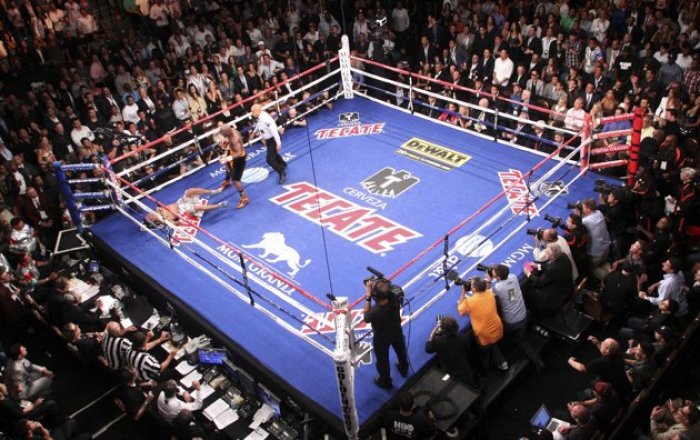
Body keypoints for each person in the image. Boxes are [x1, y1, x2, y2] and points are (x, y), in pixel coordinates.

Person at [489, 265, 545, 371]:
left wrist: (490, 279)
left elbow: (488, 293)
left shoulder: (498, 287)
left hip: (513, 322)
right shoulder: (513, 277)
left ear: (498, 277)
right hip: (523, 315)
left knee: (521, 341)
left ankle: (538, 362)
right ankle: (535, 329)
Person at [363, 278, 408, 389]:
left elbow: (366, 317)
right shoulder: (395, 299)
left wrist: (368, 296)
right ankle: (404, 368)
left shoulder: (375, 312)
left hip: (381, 338)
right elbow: (392, 287)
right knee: (401, 351)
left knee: (382, 361)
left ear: (375, 297)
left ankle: (386, 381)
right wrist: (381, 284)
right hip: (396, 331)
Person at [457, 277, 508, 371]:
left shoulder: (470, 301)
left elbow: (461, 310)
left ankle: (486, 370)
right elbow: (486, 289)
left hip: (484, 336)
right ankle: (501, 361)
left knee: (485, 352)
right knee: (492, 344)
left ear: (475, 289)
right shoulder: (489, 293)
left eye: (471, 286)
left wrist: (463, 292)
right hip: (498, 328)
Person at [568, 337, 632, 401]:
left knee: (591, 384)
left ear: (607, 350)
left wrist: (570, 360)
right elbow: (606, 354)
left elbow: (581, 368)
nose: (602, 342)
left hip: (614, 393)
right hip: (626, 387)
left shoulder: (601, 362)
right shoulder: (618, 355)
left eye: (603, 343)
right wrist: (597, 343)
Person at [523, 243, 574, 317]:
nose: (545, 252)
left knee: (529, 291)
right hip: (568, 289)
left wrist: (528, 274)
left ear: (552, 256)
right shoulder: (563, 256)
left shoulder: (552, 270)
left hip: (559, 298)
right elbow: (550, 266)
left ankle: (536, 315)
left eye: (547, 252)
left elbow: (539, 283)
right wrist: (538, 266)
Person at [424, 315, 476, 387]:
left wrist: (432, 334)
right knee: (471, 386)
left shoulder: (438, 342)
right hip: (464, 369)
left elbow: (428, 349)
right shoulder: (463, 338)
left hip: (449, 371)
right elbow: (468, 348)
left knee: (455, 387)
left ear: (443, 330)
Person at [144, 187, 227, 228]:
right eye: (150, 216)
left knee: (190, 191)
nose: (149, 214)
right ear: (152, 220)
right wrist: (165, 220)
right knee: (197, 207)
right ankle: (219, 205)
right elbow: (176, 224)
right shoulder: (165, 220)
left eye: (149, 214)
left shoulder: (158, 209)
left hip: (180, 202)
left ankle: (213, 191)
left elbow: (156, 208)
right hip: (184, 210)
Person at [251, 103, 287, 184]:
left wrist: (278, 143)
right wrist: (254, 132)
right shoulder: (260, 116)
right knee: (273, 153)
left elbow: (274, 131)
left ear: (257, 111)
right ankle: (283, 164)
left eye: (253, 112)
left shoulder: (266, 119)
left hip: (272, 139)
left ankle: (281, 171)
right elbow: (259, 124)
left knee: (270, 160)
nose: (252, 114)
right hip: (268, 140)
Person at [218, 125, 249, 209]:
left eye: (222, 133)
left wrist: (227, 158)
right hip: (233, 152)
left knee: (235, 180)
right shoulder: (231, 131)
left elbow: (238, 153)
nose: (221, 134)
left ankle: (244, 198)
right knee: (228, 166)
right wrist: (227, 144)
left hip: (239, 158)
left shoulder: (234, 139)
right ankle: (227, 181)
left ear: (227, 132)